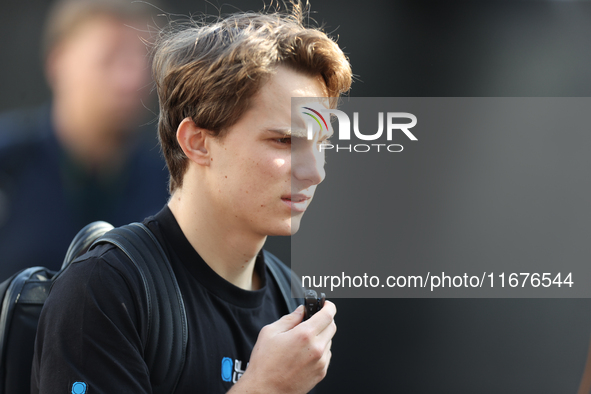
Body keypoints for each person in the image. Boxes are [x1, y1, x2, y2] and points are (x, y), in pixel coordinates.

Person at [32, 2, 352, 393]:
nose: (315, 171)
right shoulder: (106, 289)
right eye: (284, 140)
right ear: (197, 142)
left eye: (320, 144)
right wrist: (265, 387)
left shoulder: (293, 301)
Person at [0, 0, 169, 281]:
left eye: (146, 57)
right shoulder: (8, 165)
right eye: (110, 57)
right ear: (58, 61)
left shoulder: (172, 189)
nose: (133, 77)